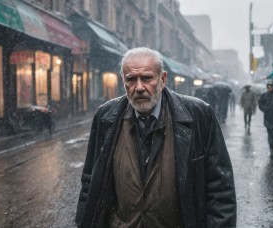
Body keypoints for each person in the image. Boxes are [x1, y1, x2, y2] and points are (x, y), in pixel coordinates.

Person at [75, 47, 236, 227]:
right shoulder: (106, 116)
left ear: (163, 79)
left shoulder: (198, 114)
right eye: (131, 79)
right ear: (124, 82)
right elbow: (90, 182)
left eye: (147, 78)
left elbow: (220, 190)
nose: (139, 87)